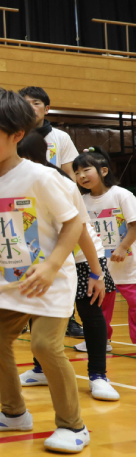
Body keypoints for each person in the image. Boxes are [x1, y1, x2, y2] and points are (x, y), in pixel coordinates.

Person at [0, 87, 90, 454]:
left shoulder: (41, 177)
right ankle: (14, 413)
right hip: (10, 282)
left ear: (16, 136)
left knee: (45, 345)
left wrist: (52, 265)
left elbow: (74, 223)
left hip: (51, 280)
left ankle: (73, 426)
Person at [15, 134, 117, 401]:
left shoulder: (57, 182)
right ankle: (40, 369)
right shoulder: (13, 183)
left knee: (91, 314)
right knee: (40, 314)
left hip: (83, 257)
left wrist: (97, 272)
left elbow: (80, 231)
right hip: (48, 261)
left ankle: (98, 375)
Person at [20, 87, 84, 338]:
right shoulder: (13, 134)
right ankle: (27, 314)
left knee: (61, 262)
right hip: (24, 209)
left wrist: (71, 203)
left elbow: (70, 172)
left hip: (56, 207)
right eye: (25, 103)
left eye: (35, 103)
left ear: (47, 109)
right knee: (26, 261)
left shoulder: (60, 137)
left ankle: (67, 317)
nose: (30, 107)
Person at [73, 147, 136, 352]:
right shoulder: (82, 201)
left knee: (134, 304)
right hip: (100, 265)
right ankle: (101, 341)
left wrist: (122, 247)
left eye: (86, 169)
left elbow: (134, 225)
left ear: (104, 171)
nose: (81, 176)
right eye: (76, 172)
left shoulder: (122, 195)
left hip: (128, 264)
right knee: (100, 305)